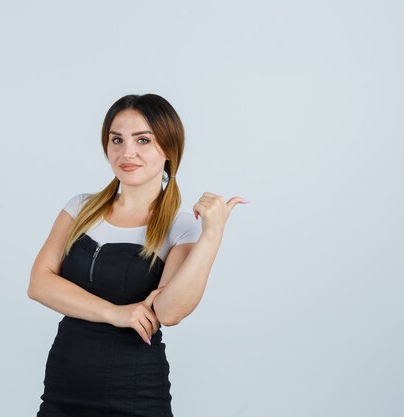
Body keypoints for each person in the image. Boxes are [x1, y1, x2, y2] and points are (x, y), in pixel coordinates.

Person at [27, 93, 247, 417]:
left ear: (169, 149)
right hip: (63, 387)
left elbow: (169, 312)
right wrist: (117, 313)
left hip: (135, 395)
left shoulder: (181, 226)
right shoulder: (80, 208)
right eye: (117, 140)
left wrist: (212, 235)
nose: (126, 152)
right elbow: (39, 284)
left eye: (143, 140)